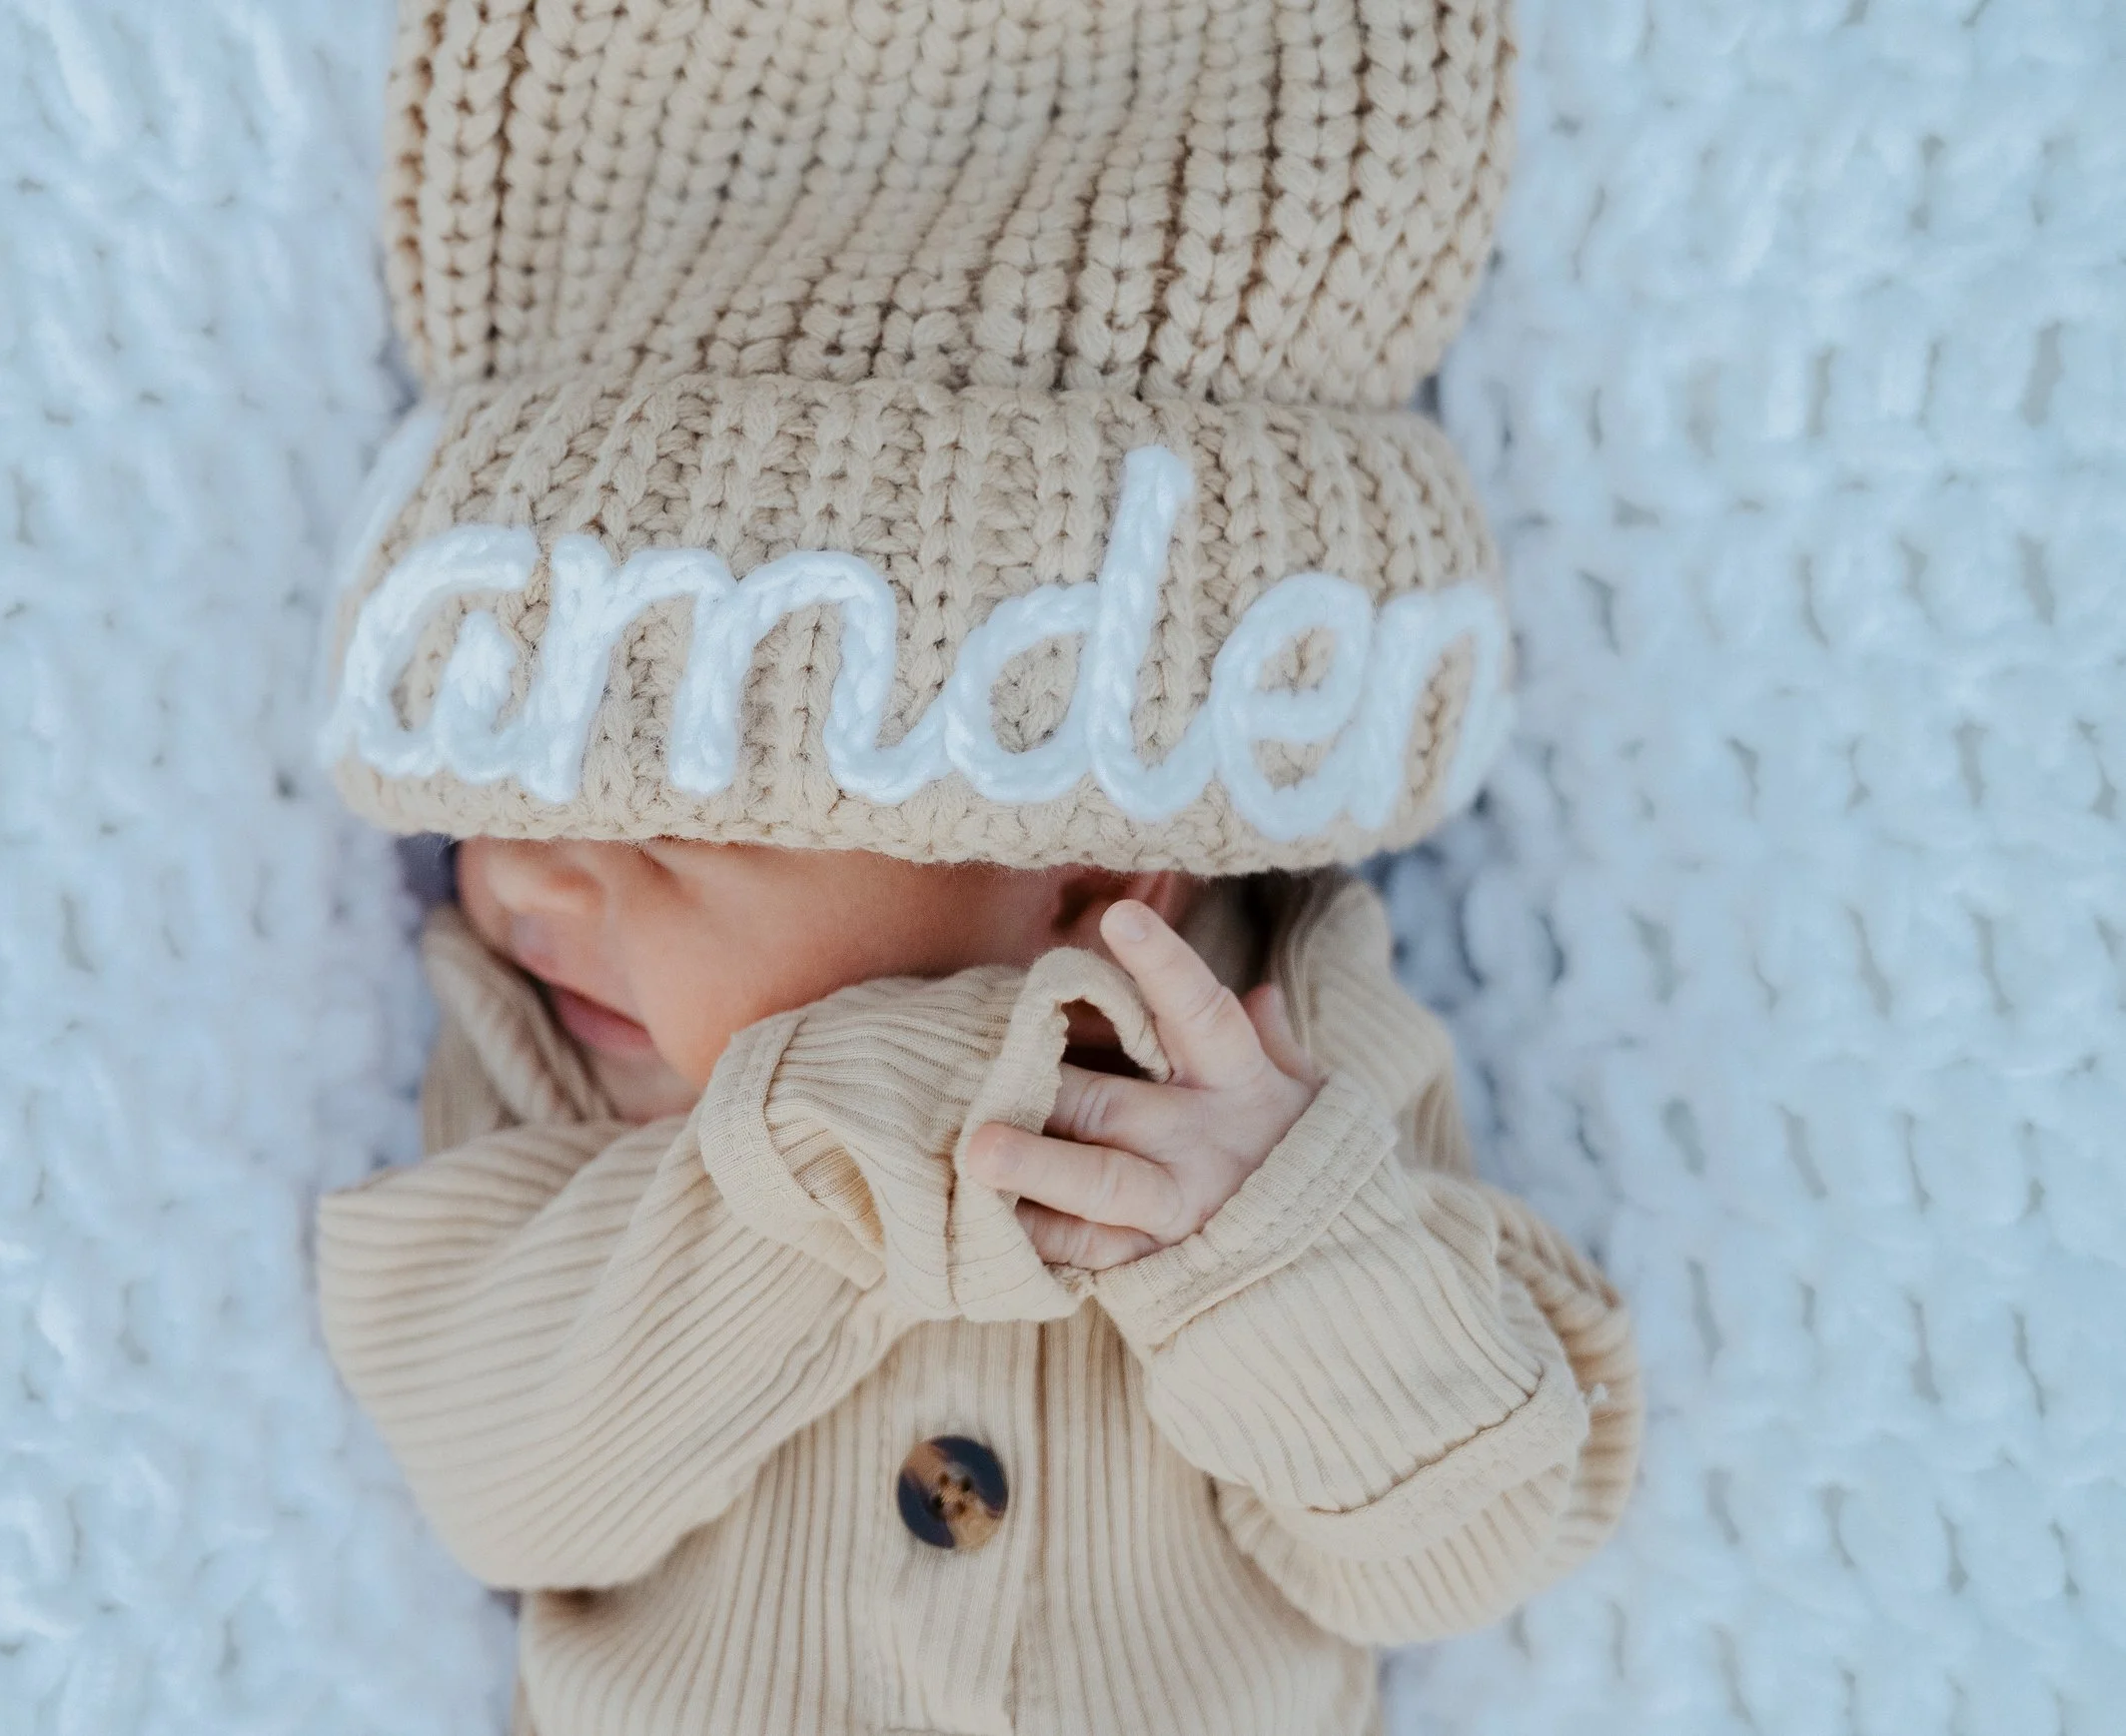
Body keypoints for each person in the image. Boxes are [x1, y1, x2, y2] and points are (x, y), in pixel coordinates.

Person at [311, 2, 1642, 1730]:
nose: (523, 885)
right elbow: (501, 1476)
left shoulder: (1272, 1044)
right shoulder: (554, 1043)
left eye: (667, 833)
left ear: (1087, 874)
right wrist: (853, 1141)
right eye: (500, 787)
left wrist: (1277, 1252)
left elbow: (1474, 1541)